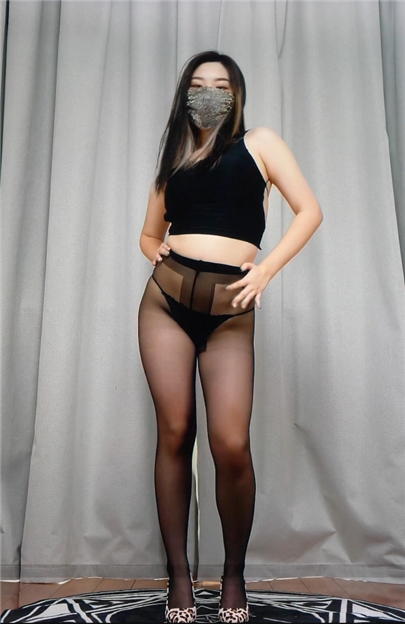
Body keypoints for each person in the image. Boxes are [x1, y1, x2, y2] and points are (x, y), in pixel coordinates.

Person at [138, 50, 323, 623]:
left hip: (230, 313)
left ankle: (234, 578)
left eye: (221, 86)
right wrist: (156, 251)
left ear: (236, 94)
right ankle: (179, 581)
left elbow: (309, 211)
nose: (209, 94)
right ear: (184, 95)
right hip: (164, 305)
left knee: (231, 444)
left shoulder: (259, 143)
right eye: (198, 85)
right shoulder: (175, 156)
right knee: (174, 433)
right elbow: (149, 235)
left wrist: (265, 271)